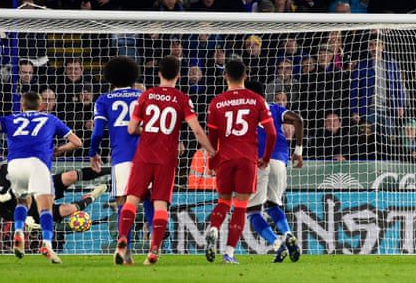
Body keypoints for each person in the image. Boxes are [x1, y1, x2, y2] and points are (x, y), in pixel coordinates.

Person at [115, 56, 215, 265]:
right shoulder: (182, 98)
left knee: (132, 199)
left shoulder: (146, 95)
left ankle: (123, 238)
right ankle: (153, 251)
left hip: (143, 156)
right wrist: (213, 152)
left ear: (159, 73)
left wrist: (150, 131)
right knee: (160, 205)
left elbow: (131, 129)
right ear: (178, 75)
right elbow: (196, 130)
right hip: (166, 159)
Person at [0, 91, 83, 263]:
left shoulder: (11, 119)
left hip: (15, 165)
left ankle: (19, 231)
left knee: (22, 201)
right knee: (45, 208)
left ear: (22, 105)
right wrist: (58, 151)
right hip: (38, 164)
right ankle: (47, 245)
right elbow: (77, 142)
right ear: (41, 106)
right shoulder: (50, 119)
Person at [204, 59, 276, 264]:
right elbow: (271, 134)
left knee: (223, 202)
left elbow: (213, 140)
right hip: (247, 159)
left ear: (225, 76)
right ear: (246, 76)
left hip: (225, 159)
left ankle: (214, 228)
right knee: (241, 207)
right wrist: (266, 158)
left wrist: (211, 165)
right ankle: (229, 253)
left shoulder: (216, 102)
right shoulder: (257, 100)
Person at [88, 56, 146, 264]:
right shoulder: (143, 96)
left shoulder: (104, 100)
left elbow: (96, 133)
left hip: (121, 158)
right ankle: (154, 247)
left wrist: (93, 153)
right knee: (148, 200)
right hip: (147, 157)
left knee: (123, 202)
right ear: (133, 76)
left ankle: (124, 246)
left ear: (110, 78)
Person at [0, 145, 108, 226]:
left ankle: (111, 170)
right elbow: (3, 213)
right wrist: (23, 219)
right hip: (31, 210)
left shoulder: (9, 166)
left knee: (70, 176)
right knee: (69, 210)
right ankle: (91, 196)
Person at [245, 81, 303, 263]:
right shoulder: (275, 109)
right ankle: (287, 233)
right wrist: (298, 151)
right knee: (273, 205)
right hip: (279, 161)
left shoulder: (245, 112)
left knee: (253, 211)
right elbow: (298, 120)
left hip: (259, 162)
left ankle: (278, 244)